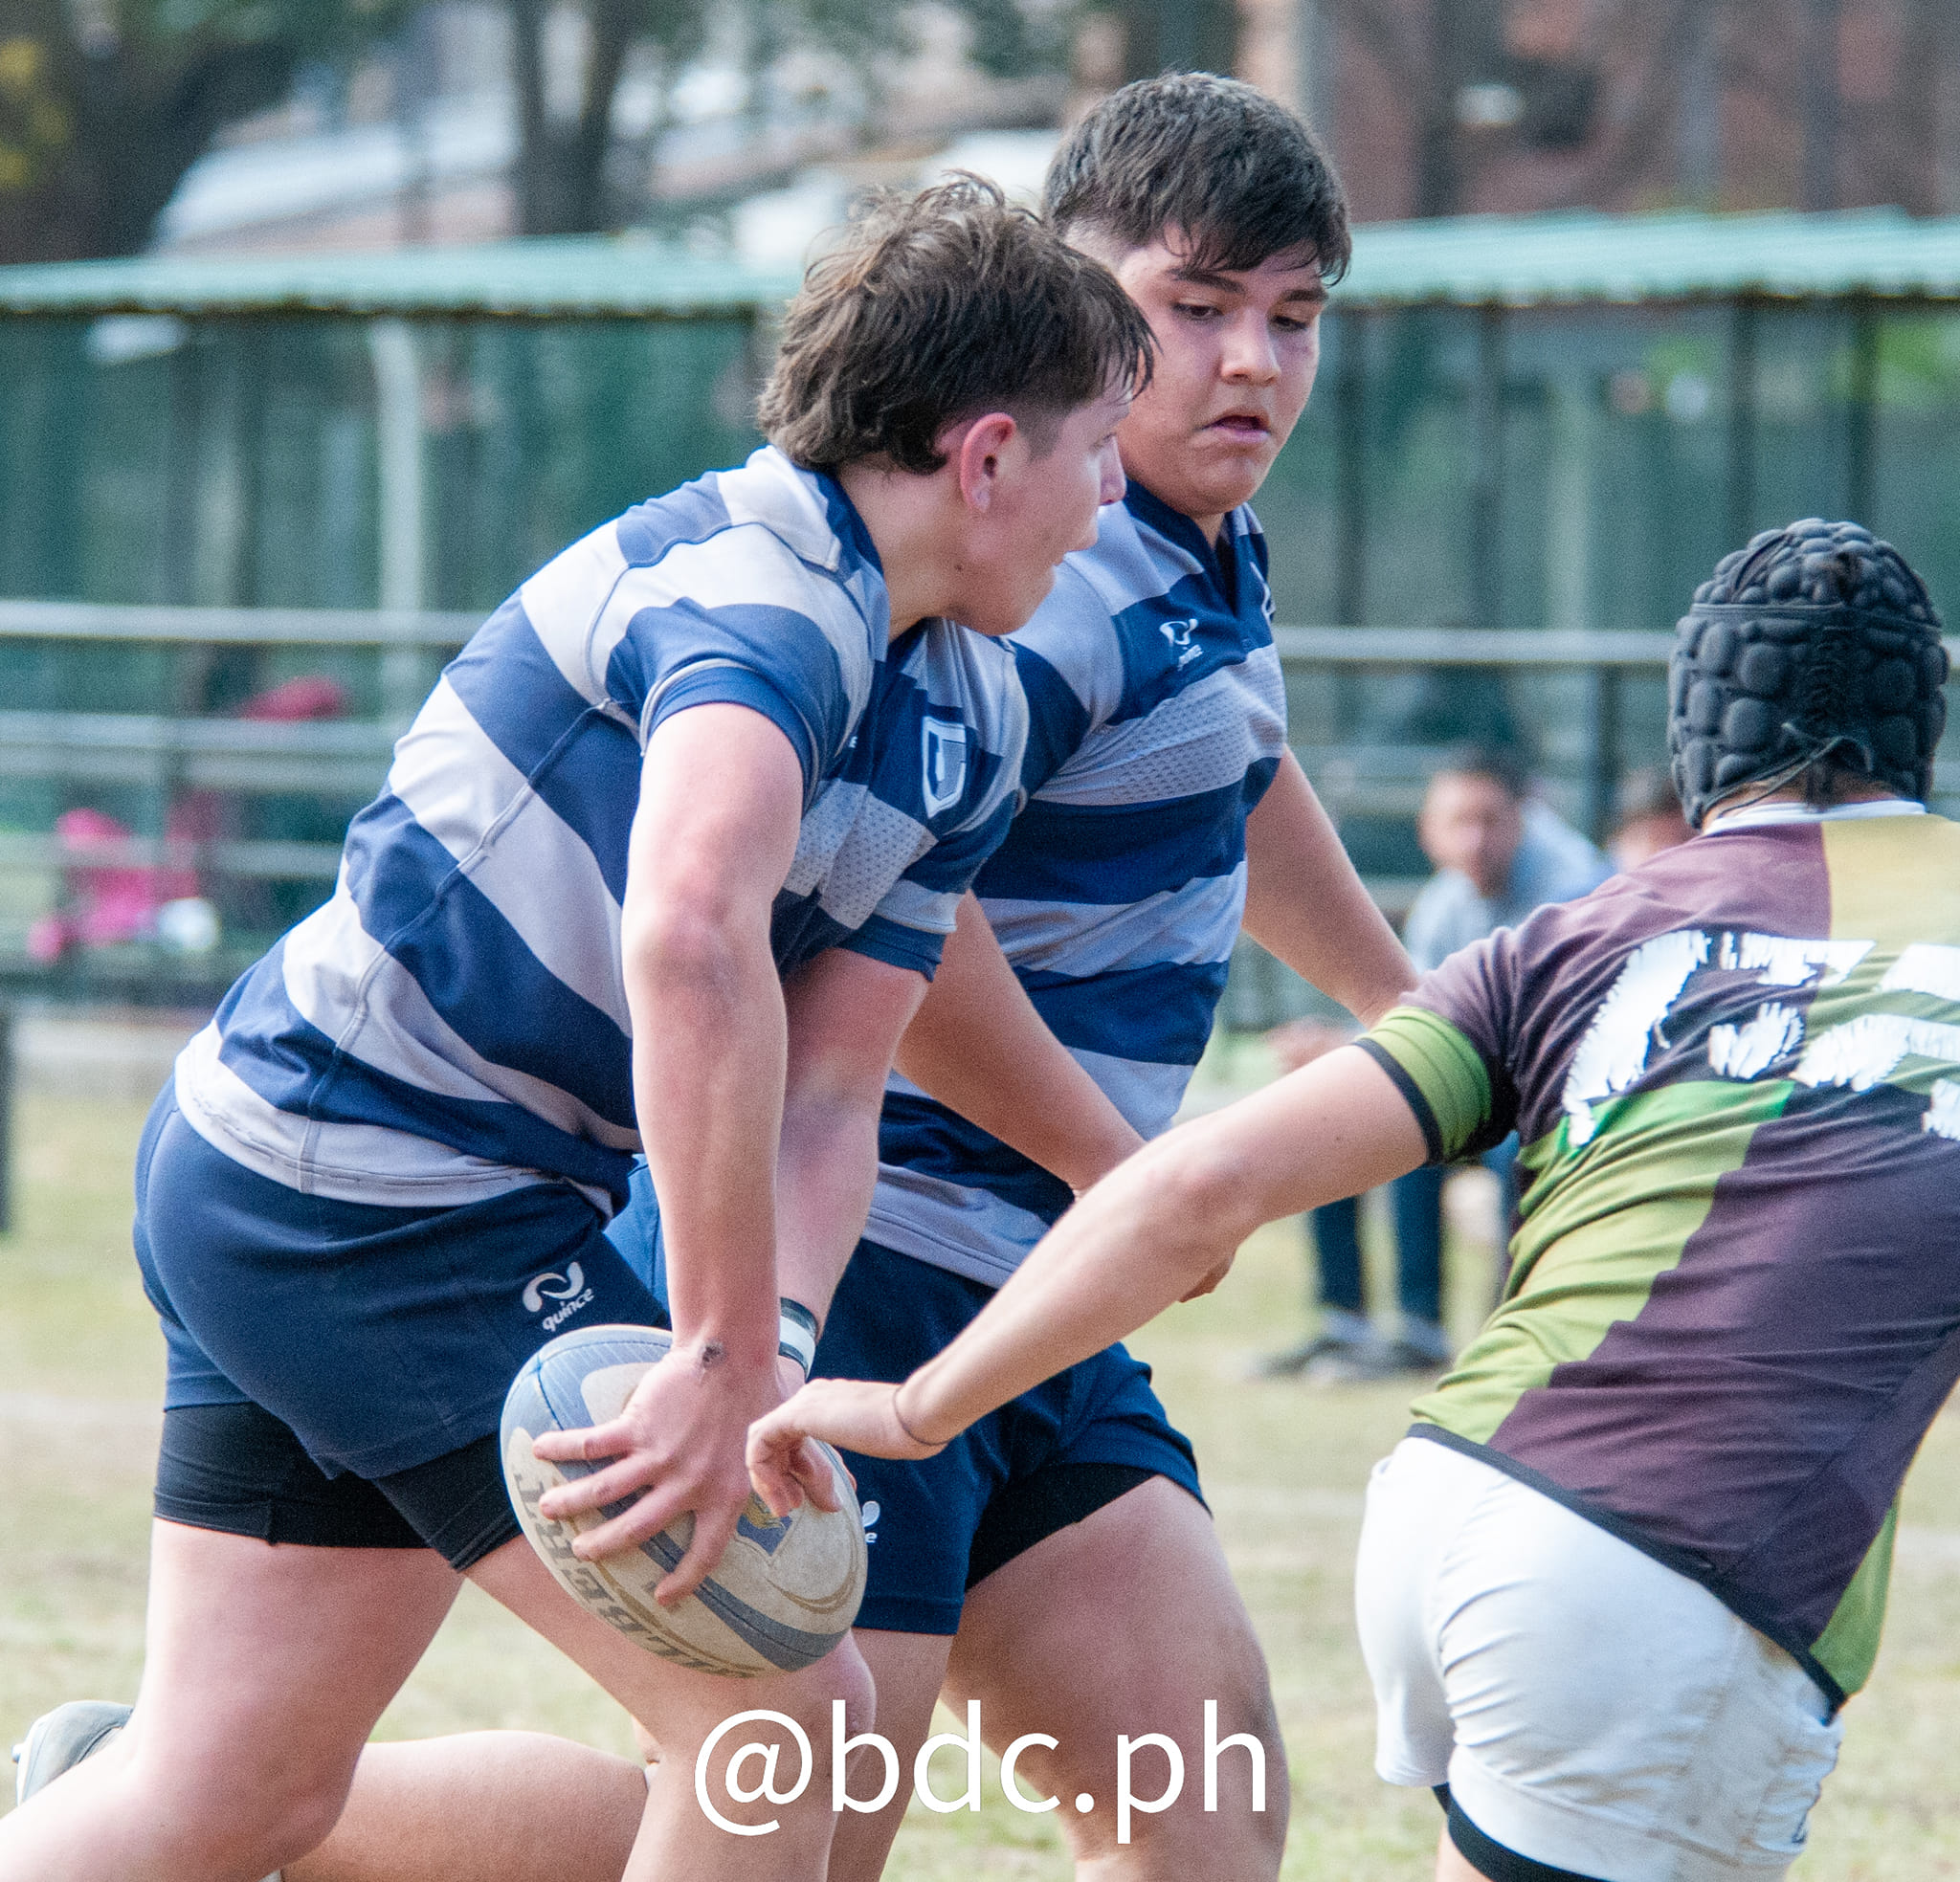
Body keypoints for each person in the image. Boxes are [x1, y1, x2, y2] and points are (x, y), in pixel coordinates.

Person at [128, 74, 1411, 1882]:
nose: (1250, 362)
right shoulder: (901, 589)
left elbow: (1174, 806)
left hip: (991, 1279)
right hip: (645, 1230)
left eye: (1293, 316)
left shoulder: (1046, 609)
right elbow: (710, 931)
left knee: (1186, 1804)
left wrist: (1416, 1009)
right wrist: (1064, 1198)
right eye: (1193, 309)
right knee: (778, 1764)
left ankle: (144, 1808)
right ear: (1025, 396)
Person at [1, 179, 1155, 1882]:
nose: (1114, 494)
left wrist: (766, 1340)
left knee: (231, 1792)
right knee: (782, 1720)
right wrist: (712, 1349)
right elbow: (689, 933)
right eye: (1098, 447)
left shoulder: (965, 710)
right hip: (355, 1192)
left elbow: (831, 1083)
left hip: (362, 1187)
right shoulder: (756, 599)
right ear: (986, 457)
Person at [754, 519, 1956, 1882]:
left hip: (1453, 1493)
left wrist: (921, 1404)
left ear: (1697, 747)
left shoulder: (1579, 934)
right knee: (787, 1840)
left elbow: (1202, 1181)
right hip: (1675, 1570)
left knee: (1204, 1836)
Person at [1264, 748, 1608, 1377]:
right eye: (1458, 821)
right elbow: (1418, 1020)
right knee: (1331, 1108)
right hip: (1486, 1082)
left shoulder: (1574, 891)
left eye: (1489, 820)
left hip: (1560, 1097)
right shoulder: (1446, 900)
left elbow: (1545, 1038)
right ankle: (1350, 1325)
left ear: (1524, 820)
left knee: (1443, 1130)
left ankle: (1498, 1340)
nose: (1474, 839)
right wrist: (1340, 1047)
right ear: (1428, 830)